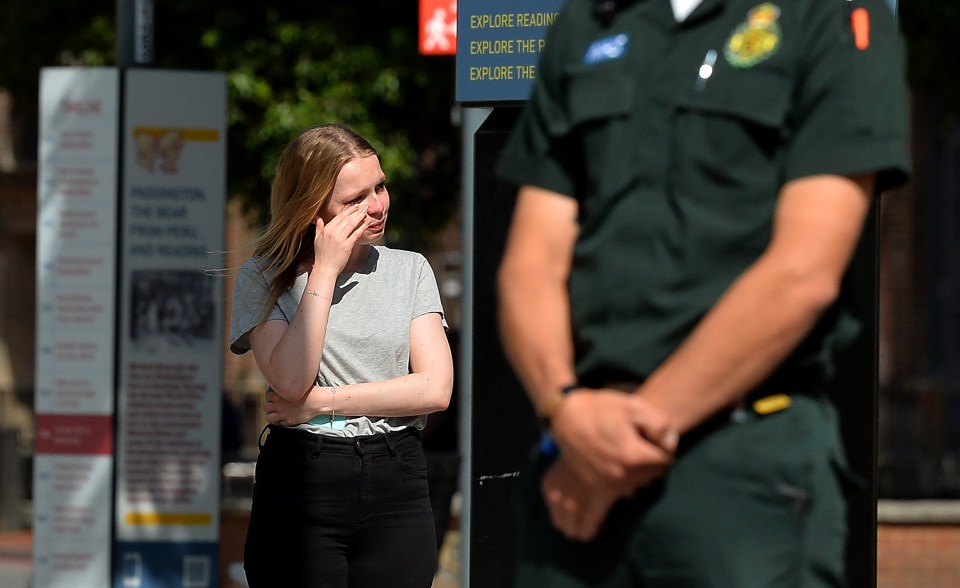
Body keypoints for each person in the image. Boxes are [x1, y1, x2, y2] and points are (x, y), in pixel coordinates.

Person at [495, 0, 910, 586]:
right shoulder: (586, 24)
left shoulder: (829, 16)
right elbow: (528, 268)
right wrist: (565, 409)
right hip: (576, 465)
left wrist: (624, 443)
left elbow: (803, 272)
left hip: (742, 474)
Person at [229, 124, 454, 588]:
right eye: (355, 200)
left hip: (397, 475)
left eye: (380, 186)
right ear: (313, 210)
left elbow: (435, 388)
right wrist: (326, 269)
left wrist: (323, 403)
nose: (377, 206)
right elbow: (291, 380)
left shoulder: (409, 269)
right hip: (303, 477)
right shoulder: (262, 277)